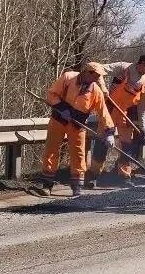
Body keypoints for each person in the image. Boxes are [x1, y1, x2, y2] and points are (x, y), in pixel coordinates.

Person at [42, 62, 115, 195]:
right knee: (51, 149)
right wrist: (62, 108)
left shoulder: (96, 91)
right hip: (59, 119)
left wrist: (109, 131)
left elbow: (103, 112)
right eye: (96, 75)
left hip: (78, 124)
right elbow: (52, 94)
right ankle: (47, 183)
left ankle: (77, 185)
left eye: (99, 76)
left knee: (78, 154)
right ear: (87, 72)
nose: (98, 78)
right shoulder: (68, 78)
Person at [86, 54, 145, 186]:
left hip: (126, 114)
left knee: (127, 146)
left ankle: (124, 176)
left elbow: (143, 105)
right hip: (110, 109)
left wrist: (143, 126)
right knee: (103, 141)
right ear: (140, 63)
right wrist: (103, 88)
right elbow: (98, 69)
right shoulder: (123, 68)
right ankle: (93, 175)